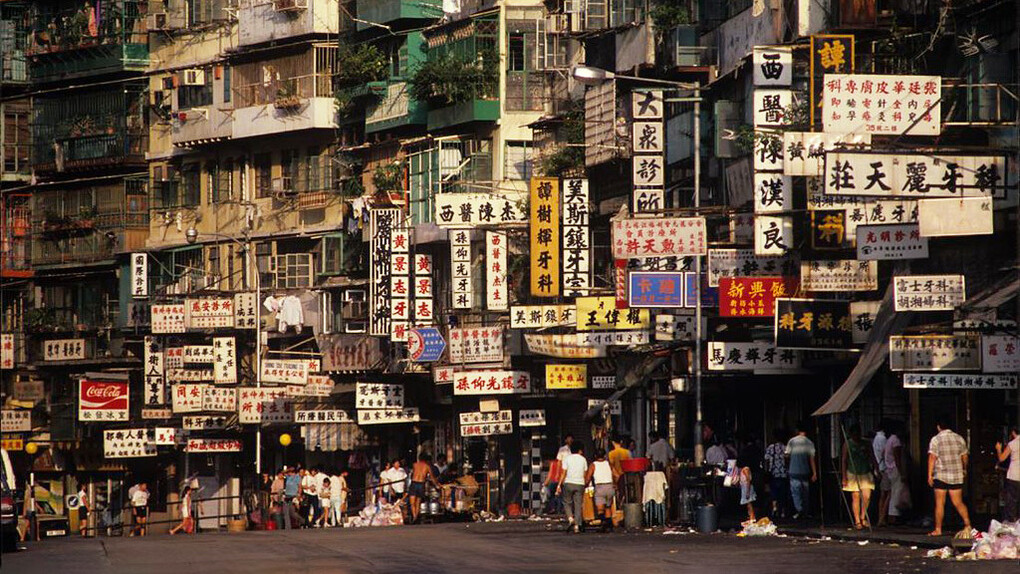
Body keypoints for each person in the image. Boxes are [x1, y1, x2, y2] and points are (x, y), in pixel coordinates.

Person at [927, 418, 972, 537]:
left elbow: (932, 457)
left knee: (940, 502)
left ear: (938, 427)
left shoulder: (936, 439)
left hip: (941, 475)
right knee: (958, 502)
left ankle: (938, 529)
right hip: (956, 475)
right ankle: (968, 524)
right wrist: (964, 469)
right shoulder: (959, 438)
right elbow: (965, 457)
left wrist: (929, 475)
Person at [841, 424, 876, 530]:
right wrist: (844, 477)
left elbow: (872, 456)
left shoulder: (866, 443)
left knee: (866, 496)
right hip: (853, 472)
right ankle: (857, 520)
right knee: (855, 496)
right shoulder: (847, 444)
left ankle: (863, 516)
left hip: (865, 471)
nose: (856, 436)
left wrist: (876, 468)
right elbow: (844, 460)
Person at [785, 422, 817, 519]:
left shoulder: (792, 441)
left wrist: (787, 466)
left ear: (797, 431)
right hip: (805, 470)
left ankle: (799, 510)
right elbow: (812, 458)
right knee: (805, 492)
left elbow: (786, 455)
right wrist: (814, 473)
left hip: (793, 470)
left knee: (796, 492)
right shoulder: (809, 442)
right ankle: (805, 511)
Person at [879, 422, 907, 526]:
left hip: (889, 469)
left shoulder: (889, 440)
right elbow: (897, 458)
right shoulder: (896, 441)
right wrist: (902, 472)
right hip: (895, 469)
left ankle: (888, 517)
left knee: (892, 493)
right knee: (896, 493)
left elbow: (883, 453)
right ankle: (893, 516)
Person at [556, 441, 587, 533]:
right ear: (580, 450)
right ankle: (577, 526)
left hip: (568, 483)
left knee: (566, 502)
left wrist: (559, 484)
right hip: (580, 483)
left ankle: (570, 519)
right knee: (578, 505)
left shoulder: (567, 459)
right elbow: (585, 474)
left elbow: (563, 473)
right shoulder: (583, 459)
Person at [585, 448, 615, 532]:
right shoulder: (608, 464)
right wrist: (615, 484)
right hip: (610, 486)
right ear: (605, 455)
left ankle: (604, 523)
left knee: (600, 509)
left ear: (595, 456)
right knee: (608, 507)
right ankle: (610, 525)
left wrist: (585, 485)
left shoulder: (593, 465)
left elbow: (588, 478)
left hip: (600, 487)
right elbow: (616, 474)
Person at [764, 428, 790, 519]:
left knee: (774, 492)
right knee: (783, 493)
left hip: (773, 473)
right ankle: (782, 511)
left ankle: (774, 508)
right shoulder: (786, 448)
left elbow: (766, 459)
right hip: (783, 473)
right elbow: (788, 460)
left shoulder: (771, 447)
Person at [995, 427, 1020, 522]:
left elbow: (1002, 458)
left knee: (1012, 500)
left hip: (1014, 475)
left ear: (1013, 433)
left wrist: (998, 449)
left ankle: (1013, 521)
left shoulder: (1012, 444)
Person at [408, 453, 441, 524]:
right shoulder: (427, 466)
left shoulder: (415, 465)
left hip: (414, 483)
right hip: (421, 484)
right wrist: (437, 485)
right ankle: (415, 516)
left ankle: (414, 516)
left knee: (412, 502)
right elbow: (432, 477)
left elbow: (411, 475)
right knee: (418, 502)